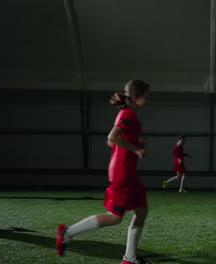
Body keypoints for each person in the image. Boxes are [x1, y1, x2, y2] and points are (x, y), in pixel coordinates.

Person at [56, 80, 152, 264]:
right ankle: (67, 232)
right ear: (134, 97)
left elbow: (112, 142)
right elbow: (112, 137)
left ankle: (129, 258)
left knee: (141, 211)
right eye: (146, 97)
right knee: (115, 217)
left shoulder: (128, 114)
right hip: (122, 172)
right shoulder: (128, 114)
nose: (148, 100)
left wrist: (136, 143)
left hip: (129, 172)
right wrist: (136, 149)